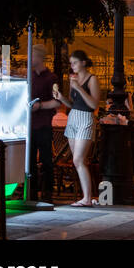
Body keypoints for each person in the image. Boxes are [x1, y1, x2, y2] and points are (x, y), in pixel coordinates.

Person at [51, 50, 100, 206]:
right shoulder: (74, 80)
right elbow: (73, 104)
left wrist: (79, 88)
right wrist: (61, 98)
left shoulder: (92, 79)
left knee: (78, 159)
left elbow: (93, 105)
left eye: (75, 62)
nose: (72, 66)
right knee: (78, 161)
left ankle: (87, 198)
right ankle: (84, 196)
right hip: (73, 117)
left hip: (86, 118)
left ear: (83, 63)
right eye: (71, 63)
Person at [27, 44, 58, 204]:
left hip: (44, 124)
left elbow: (57, 101)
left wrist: (40, 106)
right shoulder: (30, 76)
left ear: (39, 57)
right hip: (29, 124)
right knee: (30, 159)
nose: (29, 59)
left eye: (32, 56)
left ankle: (47, 192)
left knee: (46, 159)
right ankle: (32, 190)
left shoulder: (51, 78)